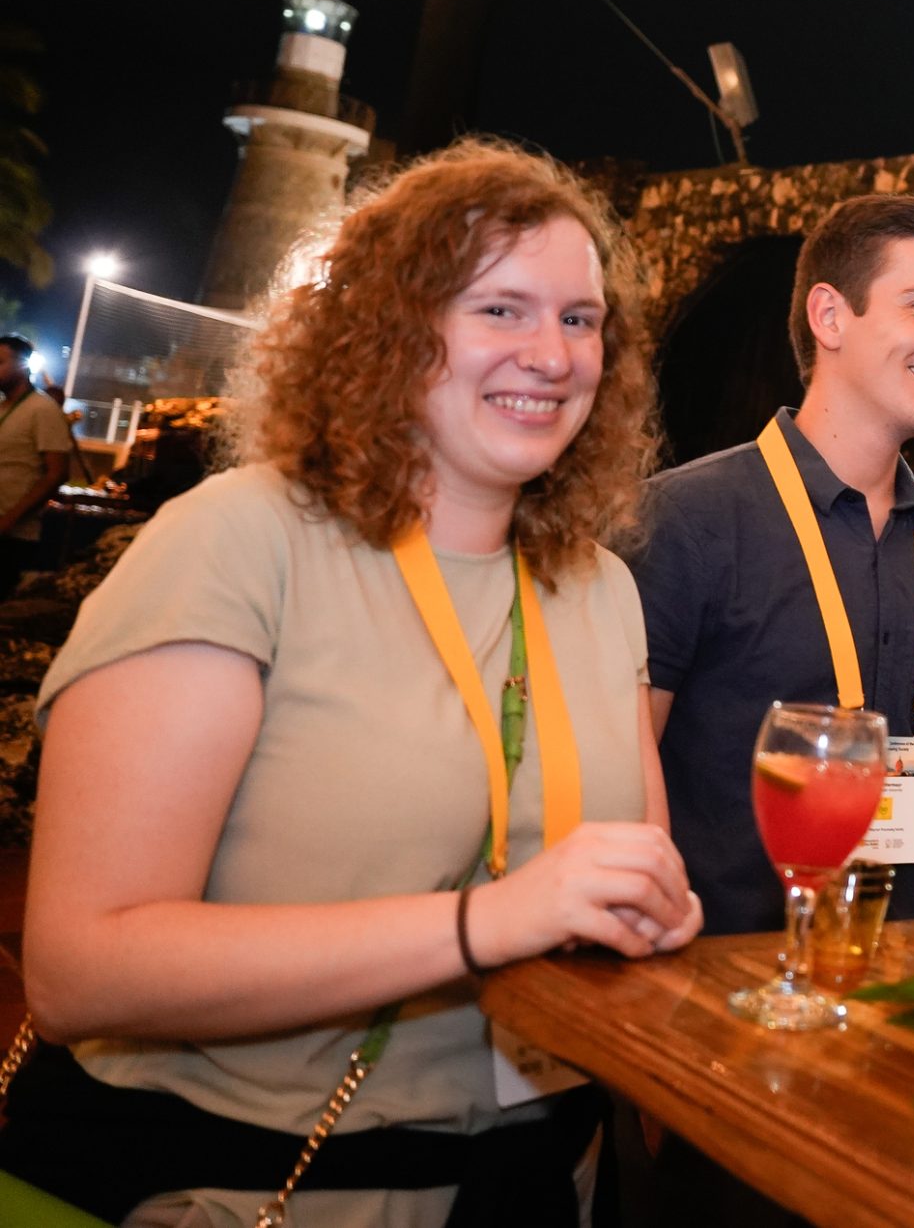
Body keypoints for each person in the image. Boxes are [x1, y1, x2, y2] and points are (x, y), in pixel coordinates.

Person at [2, 140, 703, 1226]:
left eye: (581, 319)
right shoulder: (239, 543)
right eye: (502, 309)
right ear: (390, 327)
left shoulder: (600, 587)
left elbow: (623, 870)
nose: (553, 355)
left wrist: (653, 913)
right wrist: (482, 923)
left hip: (540, 1181)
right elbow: (80, 971)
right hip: (251, 1187)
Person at [626, 195, 914, 931]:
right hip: (723, 977)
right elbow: (622, 789)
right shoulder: (684, 520)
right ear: (830, 316)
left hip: (902, 973)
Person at [0, 331, 72, 591]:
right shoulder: (3, 407)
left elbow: (56, 473)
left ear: (22, 366)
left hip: (13, 536)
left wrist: (9, 520)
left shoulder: (42, 409)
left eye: (0, 362)